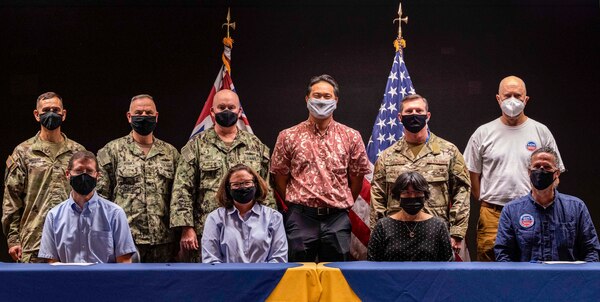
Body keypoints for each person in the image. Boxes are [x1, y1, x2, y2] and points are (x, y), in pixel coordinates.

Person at [270, 74, 371, 262]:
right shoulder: (288, 136)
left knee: (336, 275)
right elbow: (280, 178)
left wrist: (340, 203)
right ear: (307, 99)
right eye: (317, 96)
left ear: (336, 101)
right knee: (298, 275)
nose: (322, 100)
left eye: (327, 96)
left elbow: (357, 179)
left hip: (337, 219)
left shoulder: (351, 136)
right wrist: (296, 206)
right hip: (301, 217)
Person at [464, 75, 565, 261]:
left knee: (532, 261)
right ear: (498, 98)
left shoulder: (540, 131)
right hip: (493, 213)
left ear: (526, 99)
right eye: (507, 95)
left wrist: (541, 202)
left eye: (517, 96)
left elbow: (555, 173)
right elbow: (472, 175)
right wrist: (487, 200)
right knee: (490, 266)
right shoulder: (483, 133)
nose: (512, 100)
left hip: (533, 211)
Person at [170, 89, 273, 262]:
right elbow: (182, 188)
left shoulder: (255, 146)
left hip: (248, 231)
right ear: (212, 112)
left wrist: (270, 226)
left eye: (231, 107)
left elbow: (265, 190)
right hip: (207, 231)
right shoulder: (196, 146)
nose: (227, 111)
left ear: (239, 112)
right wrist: (186, 228)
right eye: (221, 107)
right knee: (209, 282)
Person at [370, 94, 470, 259]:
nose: (414, 114)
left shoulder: (449, 151)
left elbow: (462, 191)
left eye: (419, 110)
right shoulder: (387, 157)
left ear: (427, 116)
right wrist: (378, 235)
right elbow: (377, 198)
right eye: (409, 111)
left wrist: (457, 232)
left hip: (436, 235)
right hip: (396, 236)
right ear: (400, 118)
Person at [2, 92, 86, 263]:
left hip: (71, 238)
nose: (51, 113)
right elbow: (11, 198)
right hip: (34, 241)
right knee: (33, 289)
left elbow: (88, 197)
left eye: (56, 109)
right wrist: (13, 240)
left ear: (63, 114)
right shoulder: (23, 152)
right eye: (46, 110)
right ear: (36, 114)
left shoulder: (78, 152)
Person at [96, 94, 179, 263]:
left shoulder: (171, 153)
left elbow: (179, 196)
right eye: (138, 112)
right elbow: (101, 198)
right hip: (125, 240)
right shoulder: (111, 151)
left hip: (163, 241)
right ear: (129, 117)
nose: (143, 117)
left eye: (148, 113)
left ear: (156, 117)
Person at [495, 147, 599, 262]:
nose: (541, 170)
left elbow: (591, 250)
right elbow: (503, 254)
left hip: (566, 278)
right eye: (536, 166)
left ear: (557, 173)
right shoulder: (511, 210)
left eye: (547, 167)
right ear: (529, 172)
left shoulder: (576, 207)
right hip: (527, 278)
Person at [38, 151, 137, 263]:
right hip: (68, 279)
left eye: (89, 171)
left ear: (97, 176)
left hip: (105, 280)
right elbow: (52, 262)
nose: (84, 175)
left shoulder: (115, 214)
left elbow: (124, 261)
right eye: (79, 170)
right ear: (68, 174)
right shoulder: (53, 216)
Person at [202, 164, 287, 263]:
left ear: (255, 184)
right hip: (226, 277)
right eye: (236, 184)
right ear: (228, 188)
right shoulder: (215, 218)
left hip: (264, 277)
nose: (242, 187)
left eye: (247, 183)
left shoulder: (274, 217)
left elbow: (279, 259)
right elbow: (211, 260)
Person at [368, 171, 453, 261]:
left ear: (425, 194)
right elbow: (373, 263)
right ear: (398, 195)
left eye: (417, 192)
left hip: (429, 275)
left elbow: (447, 264)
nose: (412, 196)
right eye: (406, 193)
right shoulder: (383, 226)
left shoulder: (438, 226)